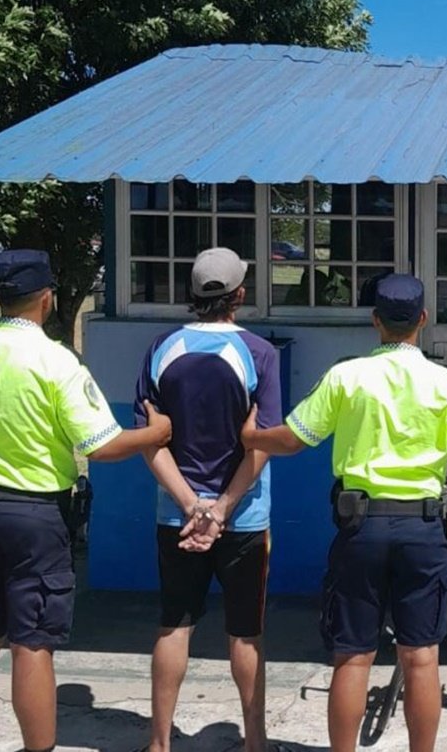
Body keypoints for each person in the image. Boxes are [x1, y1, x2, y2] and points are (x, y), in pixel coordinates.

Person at [0, 249, 172, 752]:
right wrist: (156, 432)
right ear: (47, 298)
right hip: (36, 515)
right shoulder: (56, 360)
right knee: (33, 643)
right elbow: (102, 446)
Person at [241, 273, 447, 752]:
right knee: (421, 657)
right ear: (423, 320)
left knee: (353, 658)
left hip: (361, 528)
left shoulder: (346, 376)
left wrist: (251, 436)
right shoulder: (445, 383)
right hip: (422, 529)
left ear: (375, 321)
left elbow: (293, 439)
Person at [133, 247, 283, 752]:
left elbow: (150, 440)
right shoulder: (260, 353)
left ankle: (159, 743)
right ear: (240, 294)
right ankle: (255, 742)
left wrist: (190, 505)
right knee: (246, 633)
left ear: (192, 295)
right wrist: (219, 509)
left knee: (174, 625)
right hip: (243, 517)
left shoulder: (160, 347)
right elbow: (260, 442)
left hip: (175, 516)